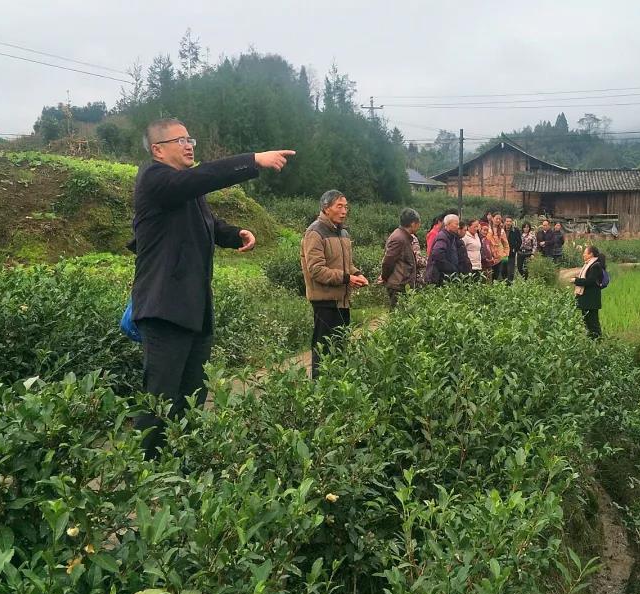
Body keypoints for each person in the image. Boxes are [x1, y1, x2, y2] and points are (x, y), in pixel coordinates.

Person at [129, 117, 295, 460]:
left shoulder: (186, 191)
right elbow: (202, 177)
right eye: (181, 140)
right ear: (158, 150)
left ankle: (181, 468)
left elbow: (206, 222)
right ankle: (141, 474)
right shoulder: (154, 179)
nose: (189, 145)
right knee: (159, 400)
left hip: (194, 311)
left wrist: (234, 235)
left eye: (191, 139)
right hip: (164, 311)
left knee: (191, 398)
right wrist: (253, 160)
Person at [301, 190, 369, 379]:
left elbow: (346, 264)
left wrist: (356, 274)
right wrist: (347, 278)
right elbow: (316, 270)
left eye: (345, 206)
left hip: (342, 300)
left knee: (339, 347)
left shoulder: (343, 232)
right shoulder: (314, 232)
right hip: (325, 301)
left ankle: (337, 391)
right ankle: (318, 392)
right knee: (323, 349)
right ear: (326, 207)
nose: (344, 211)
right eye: (339, 206)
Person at [380, 208, 422, 309]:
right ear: (413, 224)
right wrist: (384, 277)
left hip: (402, 284)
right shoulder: (399, 238)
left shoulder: (404, 236)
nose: (419, 226)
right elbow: (388, 262)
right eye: (418, 223)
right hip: (398, 285)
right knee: (397, 316)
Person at [571, 244, 606, 339]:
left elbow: (590, 281)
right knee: (587, 320)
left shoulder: (595, 265)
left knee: (593, 321)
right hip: (586, 298)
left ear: (591, 254)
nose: (583, 255)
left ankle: (597, 340)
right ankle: (591, 340)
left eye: (585, 253)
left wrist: (576, 280)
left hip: (591, 298)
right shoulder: (588, 264)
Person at [425, 214, 464, 285]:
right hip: (439, 277)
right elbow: (437, 255)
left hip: (447, 276)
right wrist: (452, 268)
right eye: (456, 224)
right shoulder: (442, 237)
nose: (458, 227)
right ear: (448, 224)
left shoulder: (452, 237)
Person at [505, 217, 521, 283]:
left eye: (510, 221)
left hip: (511, 253)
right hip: (503, 254)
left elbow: (519, 241)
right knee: (503, 270)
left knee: (511, 271)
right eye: (507, 221)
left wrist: (515, 249)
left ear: (512, 222)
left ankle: (510, 284)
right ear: (505, 222)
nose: (508, 223)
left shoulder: (515, 230)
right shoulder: (501, 230)